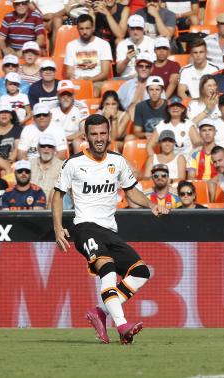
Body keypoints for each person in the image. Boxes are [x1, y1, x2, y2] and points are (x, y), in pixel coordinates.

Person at [52, 113, 169, 345]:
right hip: (84, 228)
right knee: (107, 268)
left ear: (109, 135)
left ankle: (100, 312)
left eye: (102, 133)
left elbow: (132, 191)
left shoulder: (117, 161)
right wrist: (57, 227)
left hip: (109, 230)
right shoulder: (73, 163)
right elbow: (57, 195)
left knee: (141, 272)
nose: (98, 138)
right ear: (86, 136)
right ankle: (123, 325)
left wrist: (151, 204)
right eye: (93, 134)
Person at [64, 14, 112, 97]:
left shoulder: (104, 44)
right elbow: (69, 72)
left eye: (87, 28)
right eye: (81, 29)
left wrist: (89, 80)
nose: (84, 32)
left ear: (93, 28)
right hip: (78, 81)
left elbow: (105, 73)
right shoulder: (71, 45)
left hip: (96, 81)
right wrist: (75, 79)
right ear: (77, 29)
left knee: (94, 93)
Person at [50, 80, 89, 150]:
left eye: (69, 94)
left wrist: (65, 139)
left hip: (75, 140)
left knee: (77, 142)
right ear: (57, 96)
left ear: (73, 95)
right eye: (62, 94)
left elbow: (84, 130)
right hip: (56, 141)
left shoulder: (81, 107)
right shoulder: (51, 109)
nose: (66, 97)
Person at [115, 15, 155, 80]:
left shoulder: (152, 43)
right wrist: (126, 60)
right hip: (127, 79)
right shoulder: (122, 44)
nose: (135, 32)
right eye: (132, 28)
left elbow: (156, 66)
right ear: (128, 29)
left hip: (147, 77)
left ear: (143, 28)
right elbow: (118, 71)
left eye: (138, 28)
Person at [29, 134, 62, 207]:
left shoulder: (62, 166)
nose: (46, 149)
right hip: (31, 206)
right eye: (43, 146)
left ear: (54, 149)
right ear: (38, 148)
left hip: (53, 208)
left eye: (50, 146)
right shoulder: (29, 165)